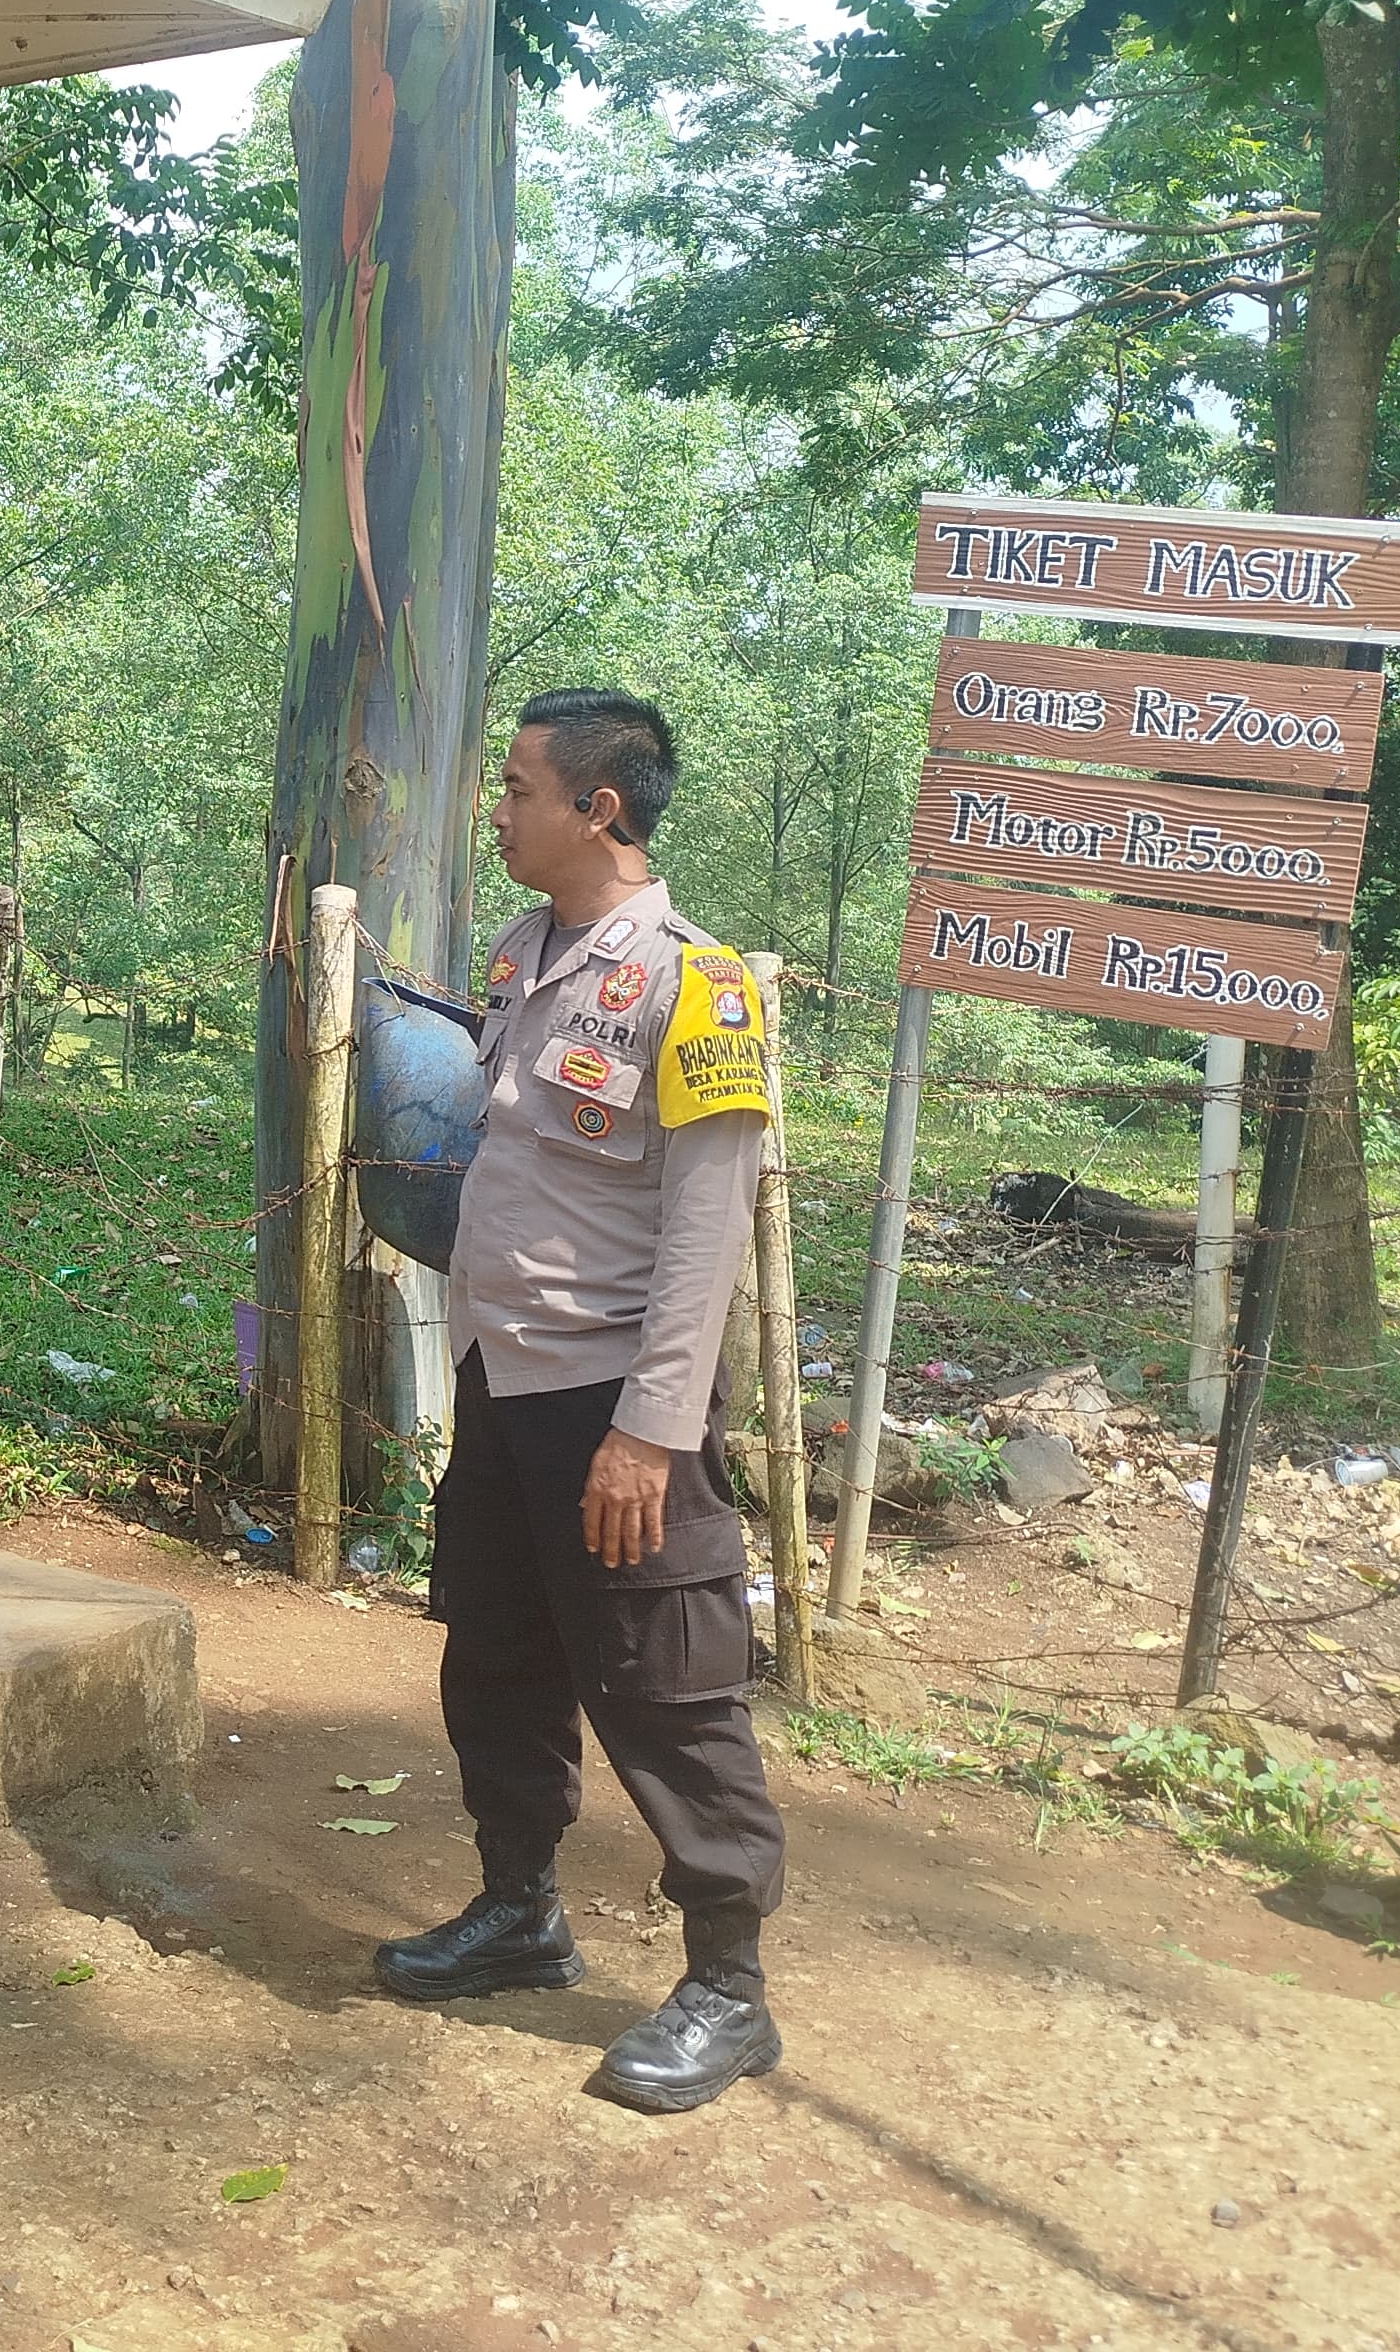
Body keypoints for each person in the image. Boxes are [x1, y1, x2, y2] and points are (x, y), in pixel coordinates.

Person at [371, 688, 791, 2114]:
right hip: (504, 1376)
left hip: (613, 1400)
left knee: (665, 1687)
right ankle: (520, 1911)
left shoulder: (696, 986)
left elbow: (708, 1227)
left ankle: (729, 1989)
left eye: (518, 788)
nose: (498, 811)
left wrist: (650, 1434)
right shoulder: (522, 955)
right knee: (495, 1655)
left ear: (597, 808)